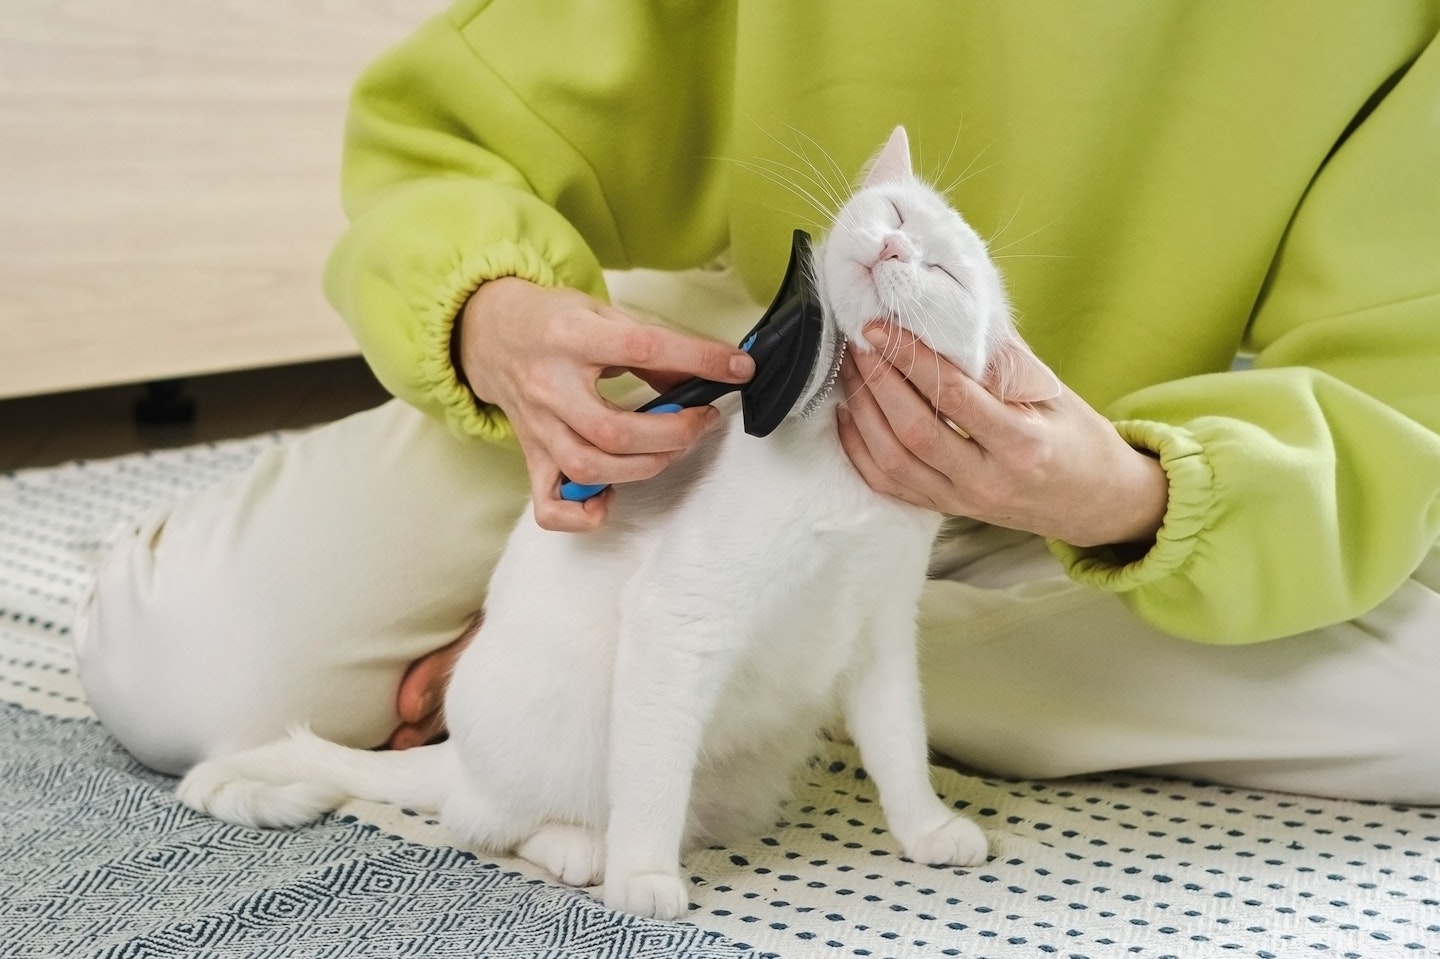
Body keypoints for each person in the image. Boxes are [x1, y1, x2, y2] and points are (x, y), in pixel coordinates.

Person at [74, 2, 1440, 803]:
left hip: (1124, 475)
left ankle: (706, 650)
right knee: (186, 668)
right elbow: (463, 134)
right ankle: (724, 632)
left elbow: (1400, 383)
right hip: (714, 390)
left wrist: (1132, 494)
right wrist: (493, 315)